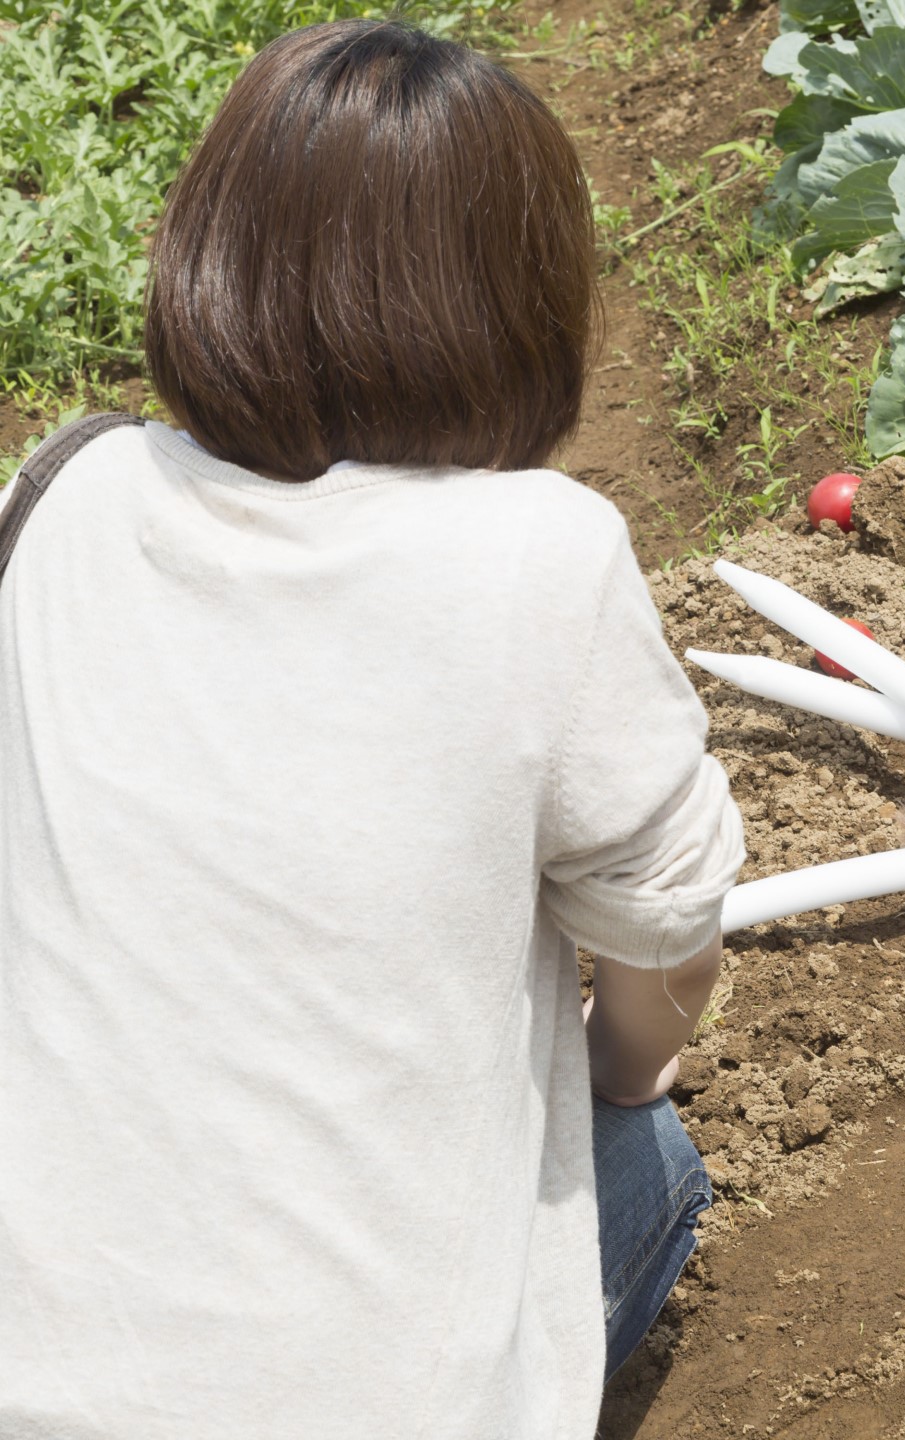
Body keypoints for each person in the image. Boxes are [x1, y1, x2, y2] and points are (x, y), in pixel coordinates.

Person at [0, 21, 742, 1438]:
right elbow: (663, 933)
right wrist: (617, 1062)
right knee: (647, 1157)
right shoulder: (542, 556)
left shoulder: (58, 499)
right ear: (523, 298)